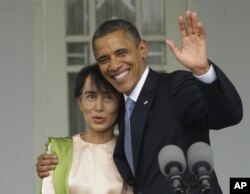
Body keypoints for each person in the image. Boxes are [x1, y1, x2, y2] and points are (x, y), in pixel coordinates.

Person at [37, 11, 243, 193]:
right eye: (104, 59)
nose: (115, 65)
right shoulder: (122, 108)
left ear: (142, 49)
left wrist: (202, 71)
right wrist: (57, 161)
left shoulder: (174, 87)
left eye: (121, 52)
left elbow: (227, 115)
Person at [39, 64, 133, 194]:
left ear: (120, 103)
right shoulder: (58, 151)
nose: (99, 107)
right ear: (79, 102)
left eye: (108, 97)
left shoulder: (130, 153)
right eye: (91, 96)